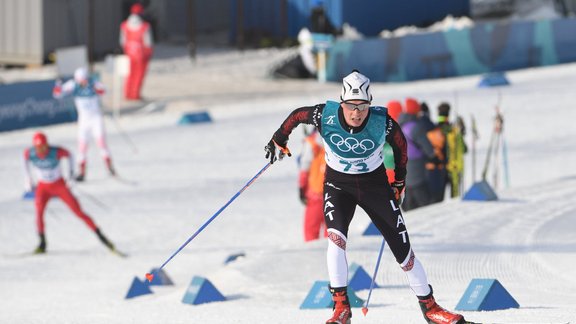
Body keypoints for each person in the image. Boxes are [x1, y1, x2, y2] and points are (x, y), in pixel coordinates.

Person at [264, 70, 468, 324]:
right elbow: (296, 116)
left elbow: (401, 147)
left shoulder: (382, 121)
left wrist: (400, 181)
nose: (357, 112)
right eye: (351, 106)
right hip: (338, 186)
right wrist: (279, 138)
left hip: (375, 186)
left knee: (403, 251)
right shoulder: (324, 115)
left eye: (363, 106)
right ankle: (341, 308)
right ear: (342, 103)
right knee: (335, 240)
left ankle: (430, 308)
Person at [23, 132, 117, 254]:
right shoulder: (30, 153)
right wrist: (27, 178)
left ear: (47, 144)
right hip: (43, 187)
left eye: (43, 147)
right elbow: (24, 160)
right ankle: (42, 243)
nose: (41, 150)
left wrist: (70, 175)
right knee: (39, 213)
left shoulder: (55, 152)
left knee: (78, 212)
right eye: (38, 147)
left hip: (59, 185)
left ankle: (101, 236)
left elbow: (69, 155)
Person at [53, 67, 115, 182]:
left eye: (83, 80)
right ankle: (82, 173)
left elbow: (104, 90)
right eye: (79, 80)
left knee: (101, 144)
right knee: (82, 148)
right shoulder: (73, 84)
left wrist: (95, 88)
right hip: (84, 120)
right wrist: (58, 85)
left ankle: (110, 167)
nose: (81, 83)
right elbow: (57, 94)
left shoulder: (93, 83)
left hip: (96, 119)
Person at [399, 98, 439, 211]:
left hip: (405, 170)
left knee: (409, 205)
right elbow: (428, 148)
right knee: (424, 204)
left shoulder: (401, 125)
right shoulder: (416, 127)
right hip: (417, 170)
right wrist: (434, 157)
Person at [298, 127, 328, 242]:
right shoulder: (313, 143)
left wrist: (302, 187)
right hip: (318, 194)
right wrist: (302, 187)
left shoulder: (312, 142)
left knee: (329, 231)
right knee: (314, 230)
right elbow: (305, 166)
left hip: (324, 194)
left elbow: (304, 166)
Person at [120, 3, 154, 101]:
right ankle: (135, 94)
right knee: (139, 75)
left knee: (129, 74)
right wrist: (148, 52)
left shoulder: (124, 25)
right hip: (141, 54)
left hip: (129, 53)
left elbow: (122, 41)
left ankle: (128, 93)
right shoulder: (144, 26)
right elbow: (148, 42)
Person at [437, 102, 468, 198]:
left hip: (438, 169)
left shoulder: (434, 129)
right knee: (455, 198)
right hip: (453, 169)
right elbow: (464, 149)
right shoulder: (454, 130)